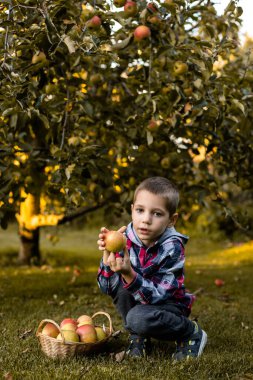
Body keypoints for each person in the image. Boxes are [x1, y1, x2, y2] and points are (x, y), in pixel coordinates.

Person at [97, 177, 207, 360]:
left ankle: (191, 332)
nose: (146, 220)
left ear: (171, 220)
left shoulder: (172, 246)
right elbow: (107, 288)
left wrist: (129, 275)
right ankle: (139, 335)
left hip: (168, 306)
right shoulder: (124, 239)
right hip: (141, 305)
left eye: (157, 214)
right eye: (140, 210)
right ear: (132, 210)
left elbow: (160, 295)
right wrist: (107, 262)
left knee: (137, 317)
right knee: (121, 289)